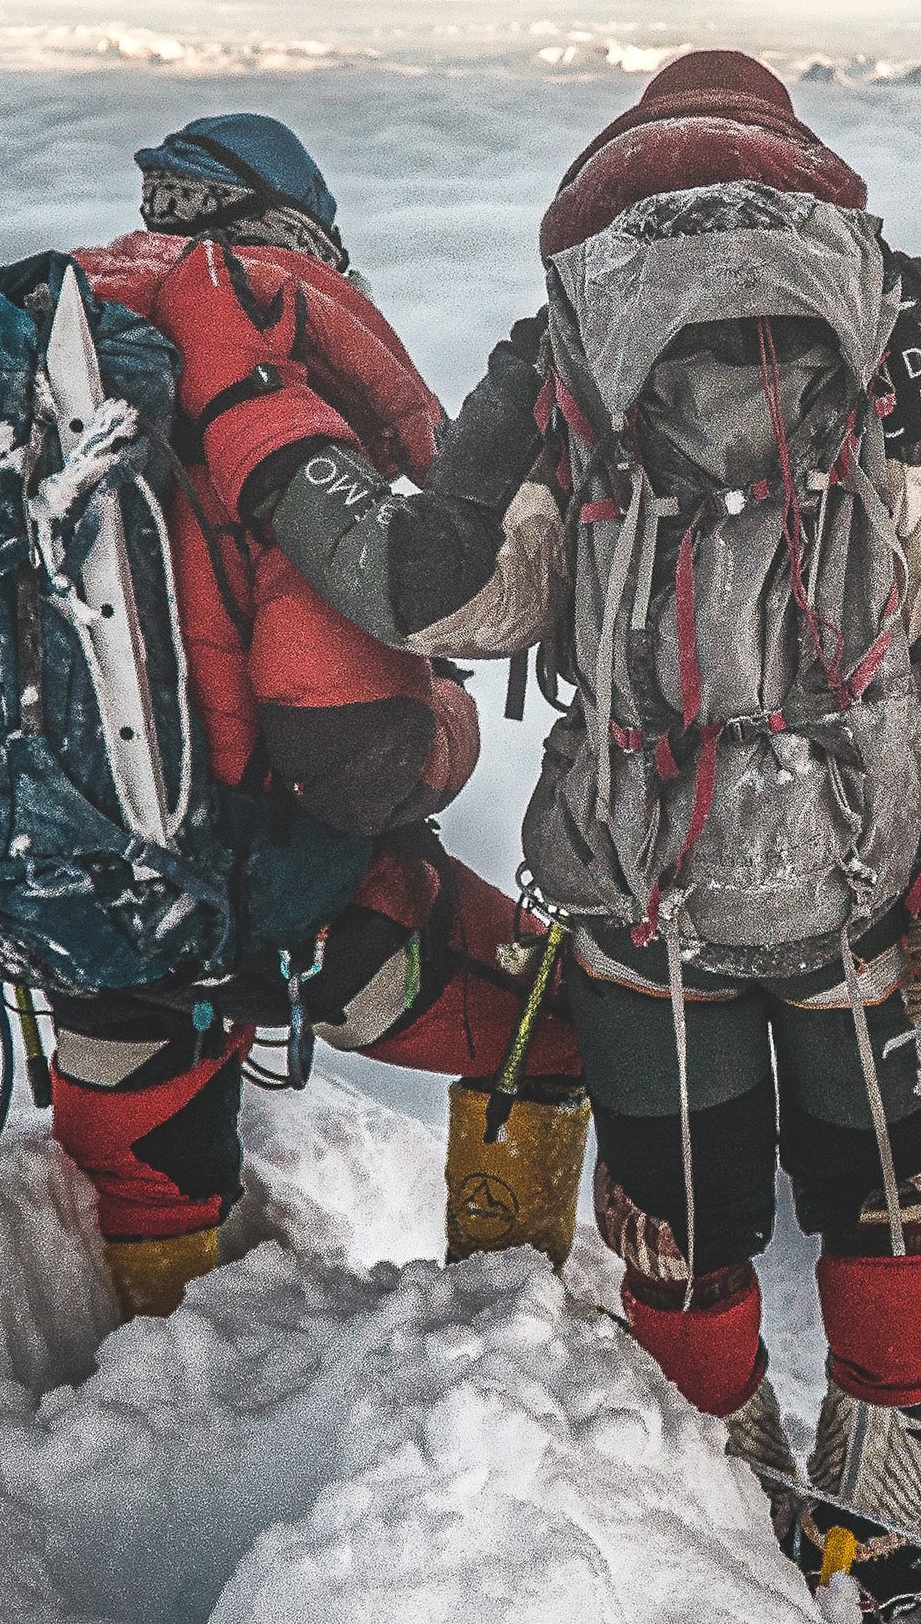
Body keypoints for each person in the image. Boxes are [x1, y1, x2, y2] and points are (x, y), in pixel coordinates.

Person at [175, 56, 921, 1617]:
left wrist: (261, 440)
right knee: (889, 1206)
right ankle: (890, 1516)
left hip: (649, 903)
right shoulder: (906, 311)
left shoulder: (559, 355)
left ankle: (721, 1488)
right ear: (796, 162)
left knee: (680, 1229)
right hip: (870, 878)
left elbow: (438, 594)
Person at [43, 114, 591, 1323]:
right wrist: (446, 715)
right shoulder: (260, 395)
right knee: (556, 1026)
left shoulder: (60, 372)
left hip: (67, 905)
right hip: (266, 905)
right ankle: (516, 1336)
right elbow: (353, 764)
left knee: (147, 1179)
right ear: (304, 240)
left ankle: (146, 1377)